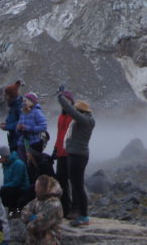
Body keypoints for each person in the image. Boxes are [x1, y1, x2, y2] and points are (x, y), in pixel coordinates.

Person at [56, 89, 95, 226]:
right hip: (77, 154)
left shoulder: (85, 120)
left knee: (77, 186)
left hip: (77, 155)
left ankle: (83, 216)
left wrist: (60, 98)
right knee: (77, 185)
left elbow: (70, 111)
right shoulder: (86, 120)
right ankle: (82, 214)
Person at [20, 175, 64, 245]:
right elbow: (24, 212)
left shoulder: (54, 205)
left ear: (44, 188)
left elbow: (39, 224)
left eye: (37, 187)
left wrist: (31, 220)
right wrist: (33, 217)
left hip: (49, 241)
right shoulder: (38, 200)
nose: (35, 189)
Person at [52, 92, 75, 217]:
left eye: (67, 100)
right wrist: (55, 149)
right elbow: (59, 135)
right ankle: (64, 209)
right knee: (61, 182)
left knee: (70, 181)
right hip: (61, 152)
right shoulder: (61, 117)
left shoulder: (73, 117)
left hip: (69, 153)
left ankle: (71, 208)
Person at [0, 145, 31, 217]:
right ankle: (9, 212)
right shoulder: (5, 165)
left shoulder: (18, 164)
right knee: (3, 193)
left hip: (22, 190)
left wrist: (3, 188)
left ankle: (16, 211)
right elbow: (6, 182)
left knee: (4, 191)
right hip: (12, 190)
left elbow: (16, 182)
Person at [15, 93, 47, 161]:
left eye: (26, 100)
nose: (24, 102)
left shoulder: (37, 112)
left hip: (33, 144)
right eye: (24, 100)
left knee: (31, 166)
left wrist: (28, 128)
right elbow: (17, 131)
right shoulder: (22, 112)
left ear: (32, 101)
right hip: (21, 144)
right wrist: (18, 128)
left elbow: (44, 127)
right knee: (22, 165)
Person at [0, 80, 24, 152]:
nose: (5, 97)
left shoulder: (19, 106)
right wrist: (6, 123)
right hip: (13, 141)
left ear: (11, 95)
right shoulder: (13, 106)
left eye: (6, 95)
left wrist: (7, 126)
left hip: (18, 142)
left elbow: (22, 122)